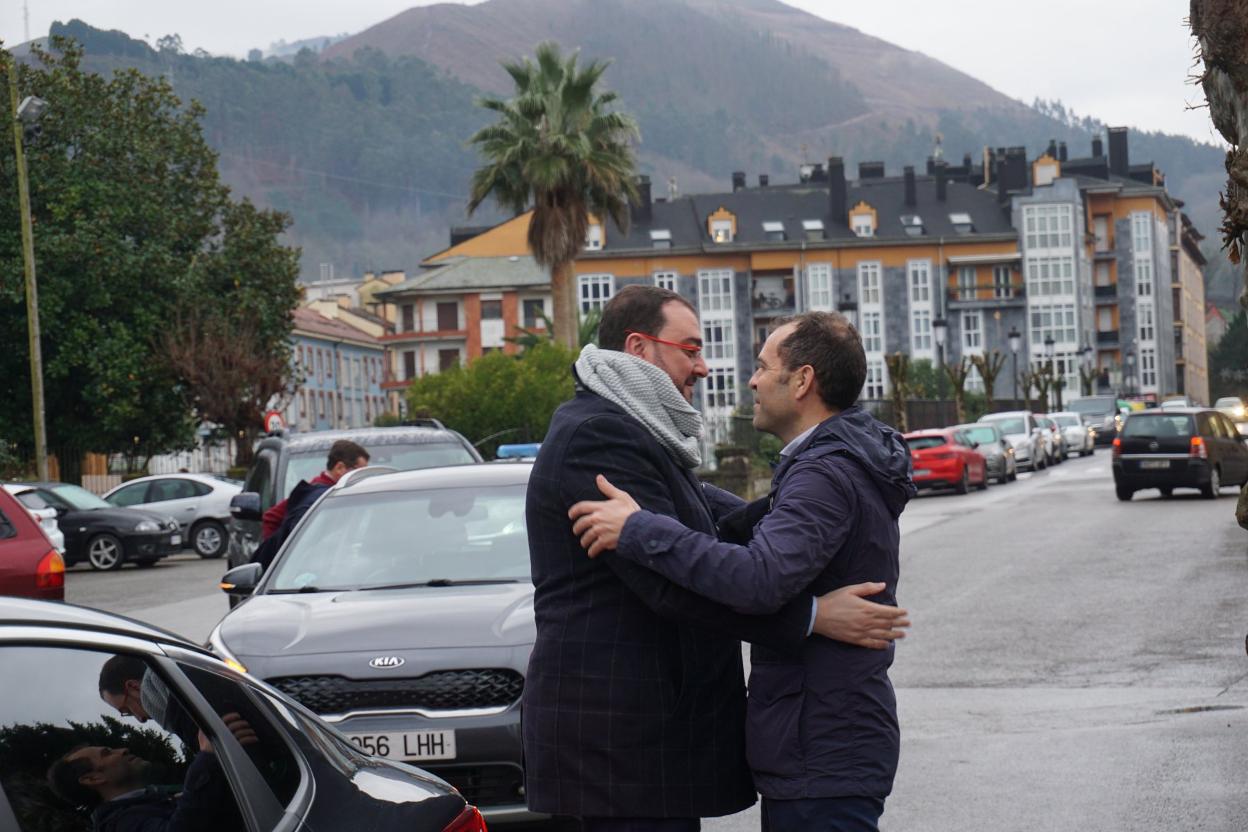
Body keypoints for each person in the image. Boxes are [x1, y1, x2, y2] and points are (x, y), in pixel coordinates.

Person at [524, 286, 909, 831]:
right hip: (619, 743)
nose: (706, 368)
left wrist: (644, 525)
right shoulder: (600, 433)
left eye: (757, 365)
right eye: (691, 349)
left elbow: (710, 535)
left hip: (667, 744)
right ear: (639, 347)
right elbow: (668, 586)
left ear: (802, 382)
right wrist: (813, 617)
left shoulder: (645, 430)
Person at [47, 733, 248, 832]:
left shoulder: (155, 798)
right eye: (107, 753)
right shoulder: (122, 825)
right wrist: (206, 756)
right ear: (93, 779)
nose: (123, 749)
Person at [253, 439, 369, 571]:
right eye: (359, 471)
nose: (363, 478)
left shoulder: (333, 492)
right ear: (339, 468)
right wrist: (279, 558)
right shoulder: (316, 496)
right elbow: (271, 517)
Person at [98, 656, 199, 752]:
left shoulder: (189, 720)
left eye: (128, 711)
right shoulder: (193, 667)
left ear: (134, 687)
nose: (141, 719)